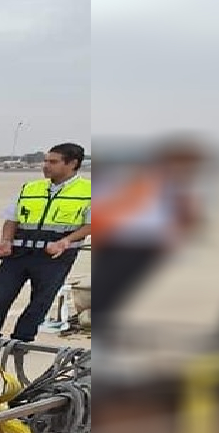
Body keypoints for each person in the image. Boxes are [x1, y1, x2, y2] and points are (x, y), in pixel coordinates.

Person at [0, 143, 92, 346]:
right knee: (0, 296)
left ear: (72, 164)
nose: (45, 166)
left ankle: (21, 340)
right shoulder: (31, 188)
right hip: (18, 253)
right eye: (45, 161)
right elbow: (11, 219)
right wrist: (5, 241)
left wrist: (65, 241)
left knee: (41, 300)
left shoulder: (88, 191)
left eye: (53, 162)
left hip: (54, 256)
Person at [88, 137, 206, 345]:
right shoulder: (141, 179)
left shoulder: (177, 185)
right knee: (106, 286)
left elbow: (187, 216)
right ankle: (101, 329)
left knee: (121, 289)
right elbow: (110, 206)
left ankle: (105, 327)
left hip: (149, 246)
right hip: (120, 242)